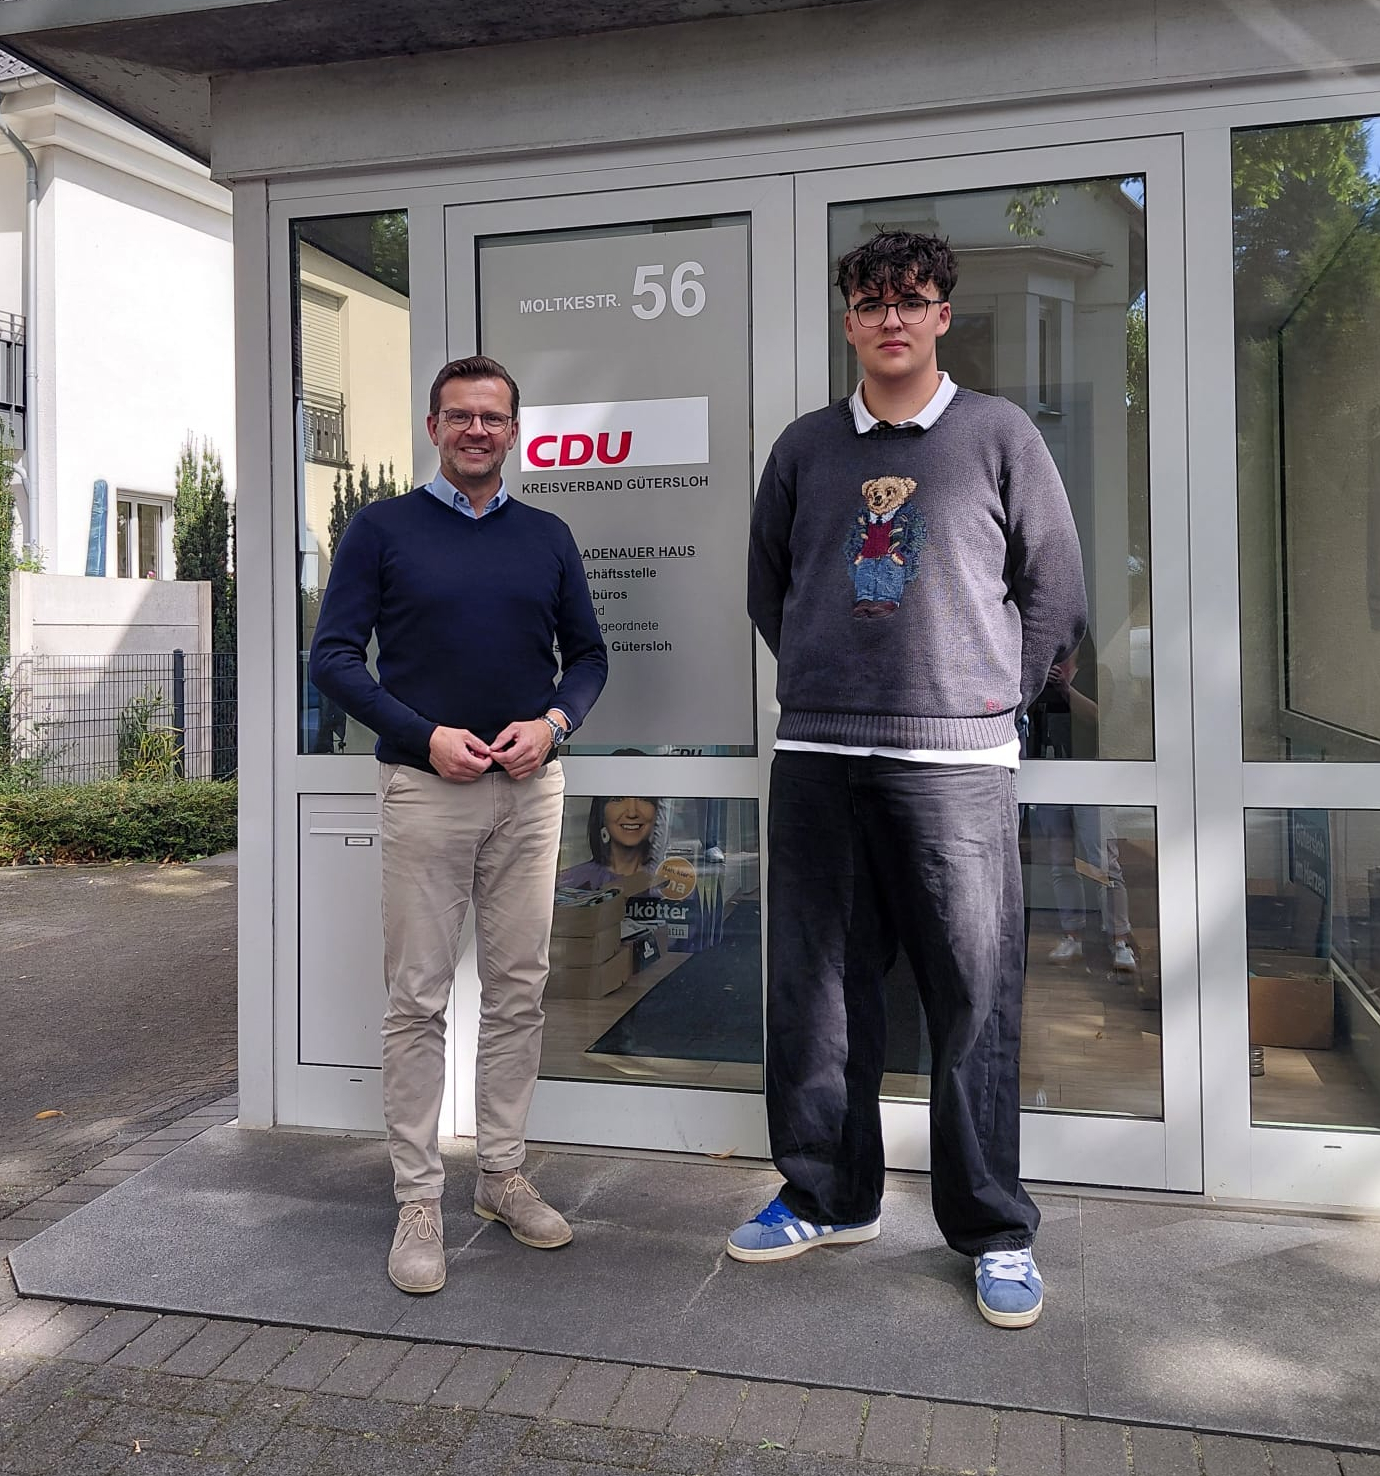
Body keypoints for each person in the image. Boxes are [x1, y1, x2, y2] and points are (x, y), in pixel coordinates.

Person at [737, 231, 1086, 1329]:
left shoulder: (998, 435)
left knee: (971, 998)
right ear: (848, 318)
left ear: (943, 316)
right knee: (819, 994)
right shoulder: (803, 448)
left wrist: (994, 699)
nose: (892, 317)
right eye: (871, 301)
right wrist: (825, 676)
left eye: (914, 300)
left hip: (957, 762)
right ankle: (827, 1194)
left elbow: (1056, 586)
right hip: (822, 756)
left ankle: (992, 1227)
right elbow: (770, 587)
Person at [309, 354, 608, 1295]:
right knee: (419, 999)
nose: (478, 430)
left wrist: (553, 725)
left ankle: (502, 1175)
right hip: (426, 790)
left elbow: (589, 659)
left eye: (493, 417)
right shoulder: (382, 528)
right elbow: (335, 659)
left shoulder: (547, 535)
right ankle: (417, 1200)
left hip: (530, 791)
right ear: (434, 426)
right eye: (460, 416)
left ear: (512, 430)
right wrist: (422, 734)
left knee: (520, 988)